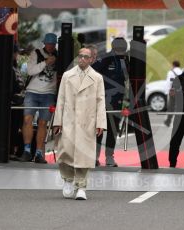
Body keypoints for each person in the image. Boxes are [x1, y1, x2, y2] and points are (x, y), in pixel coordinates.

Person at [53, 48, 107, 200]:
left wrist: (100, 123)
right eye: (80, 56)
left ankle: (81, 187)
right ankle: (68, 180)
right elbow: (61, 99)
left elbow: (100, 101)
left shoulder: (97, 78)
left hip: (87, 121)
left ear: (91, 59)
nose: (82, 59)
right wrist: (58, 121)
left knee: (84, 155)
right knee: (65, 152)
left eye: (86, 57)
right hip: (69, 119)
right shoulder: (67, 75)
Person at [20, 33, 58, 163]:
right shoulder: (36, 54)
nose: (51, 46)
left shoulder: (59, 56)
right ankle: (26, 150)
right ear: (44, 43)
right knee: (27, 120)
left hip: (49, 93)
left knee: (43, 123)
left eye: (53, 44)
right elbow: (30, 71)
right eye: (49, 44)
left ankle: (39, 153)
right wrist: (45, 63)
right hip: (32, 91)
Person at [93, 37, 129, 167]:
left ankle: (109, 157)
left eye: (123, 47)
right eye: (120, 47)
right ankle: (94, 157)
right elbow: (92, 71)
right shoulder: (106, 58)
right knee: (99, 128)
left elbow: (129, 77)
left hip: (118, 100)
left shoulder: (126, 59)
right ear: (114, 47)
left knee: (113, 129)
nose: (122, 49)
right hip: (102, 99)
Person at [164, 60, 182, 127]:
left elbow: (169, 82)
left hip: (173, 91)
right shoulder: (181, 71)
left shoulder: (171, 72)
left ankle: (168, 121)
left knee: (171, 107)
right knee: (179, 107)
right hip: (179, 91)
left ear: (173, 65)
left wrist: (167, 91)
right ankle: (179, 121)